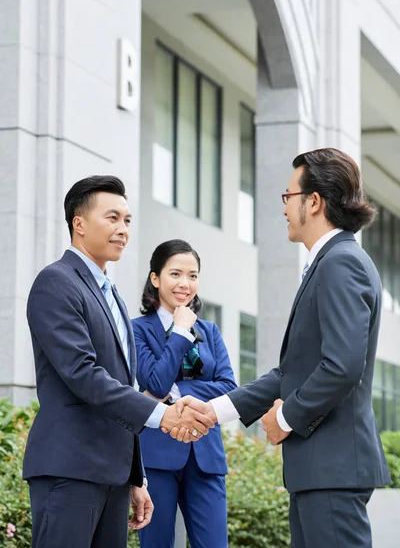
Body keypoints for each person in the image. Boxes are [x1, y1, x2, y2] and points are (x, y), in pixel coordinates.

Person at [174, 149, 392, 548]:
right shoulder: (329, 262)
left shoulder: (340, 263)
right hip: (320, 471)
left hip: (332, 469)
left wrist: (286, 417)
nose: (284, 208)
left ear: (313, 201)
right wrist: (215, 410)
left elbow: (343, 366)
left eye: (287, 196)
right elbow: (291, 373)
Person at [23, 176, 213, 548]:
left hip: (112, 476)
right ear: (79, 224)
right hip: (70, 471)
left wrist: (134, 477)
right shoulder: (56, 282)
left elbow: (122, 388)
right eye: (112, 218)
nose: (123, 229)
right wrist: (164, 415)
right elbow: (83, 374)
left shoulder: (111, 295)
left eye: (127, 220)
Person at [132, 239, 237, 548]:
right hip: (156, 455)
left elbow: (229, 388)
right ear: (155, 278)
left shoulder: (210, 331)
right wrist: (179, 332)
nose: (185, 283)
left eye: (193, 275)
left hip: (206, 454)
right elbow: (154, 382)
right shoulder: (137, 329)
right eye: (176, 274)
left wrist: (178, 394)